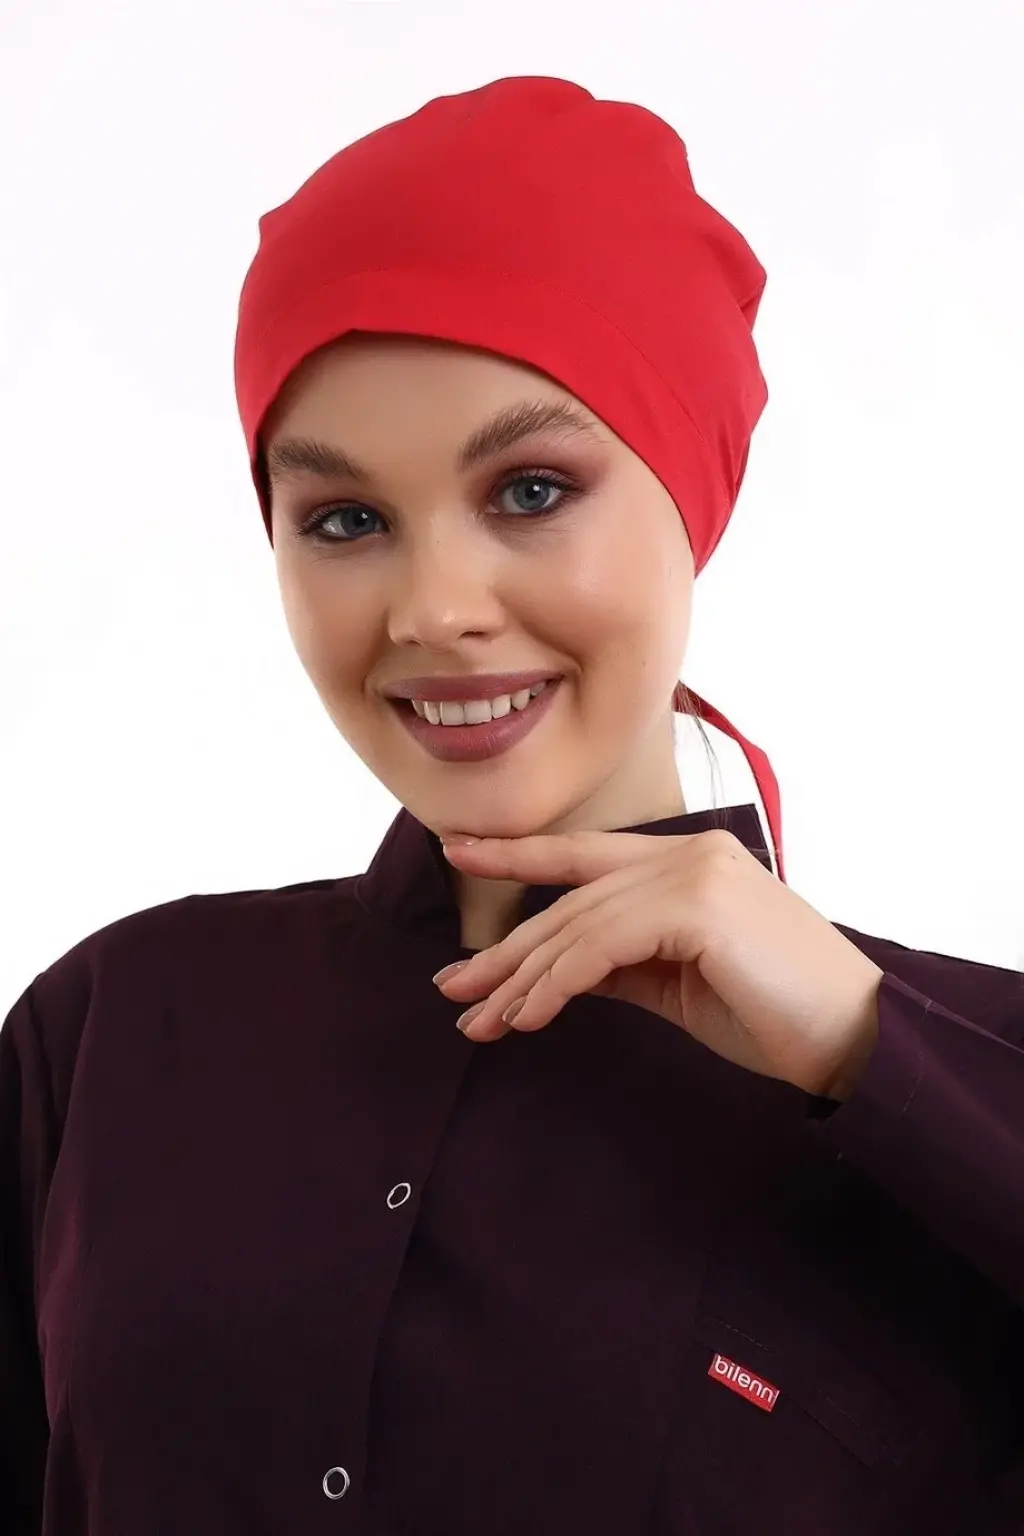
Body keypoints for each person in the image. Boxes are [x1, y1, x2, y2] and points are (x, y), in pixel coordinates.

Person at [2, 74, 1022, 1536]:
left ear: (691, 496)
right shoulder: (109, 1030)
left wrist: (875, 1049)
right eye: (346, 520)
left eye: (532, 491)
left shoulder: (965, 1076)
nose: (434, 609)